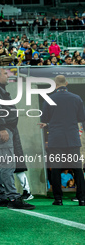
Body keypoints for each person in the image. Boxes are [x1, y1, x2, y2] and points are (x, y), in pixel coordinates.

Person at [0, 67, 35, 210]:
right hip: (0, 129)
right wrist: (1, 128)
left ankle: (0, 197)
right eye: (6, 74)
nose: (8, 76)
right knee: (6, 164)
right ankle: (12, 197)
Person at [39, 75, 85, 206]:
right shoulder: (76, 98)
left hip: (56, 139)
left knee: (56, 169)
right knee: (77, 169)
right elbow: (81, 117)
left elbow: (45, 118)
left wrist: (49, 124)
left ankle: (58, 199)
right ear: (67, 83)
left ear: (55, 84)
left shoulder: (49, 99)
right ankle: (82, 199)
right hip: (72, 138)